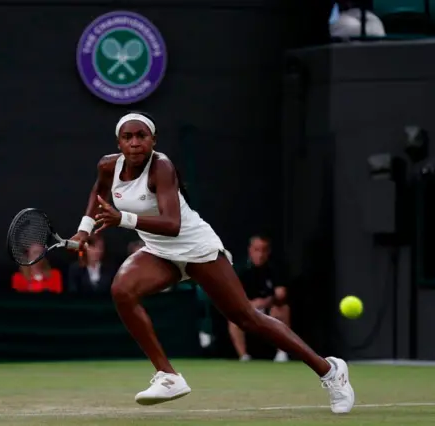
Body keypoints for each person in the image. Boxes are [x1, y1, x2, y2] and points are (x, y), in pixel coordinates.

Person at [68, 112, 354, 414]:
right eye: (128, 137)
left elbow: (173, 223)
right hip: (159, 252)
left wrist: (122, 219)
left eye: (142, 136)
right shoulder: (108, 166)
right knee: (122, 290)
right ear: (119, 142)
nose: (135, 143)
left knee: (247, 318)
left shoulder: (161, 168)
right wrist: (84, 231)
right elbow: (98, 193)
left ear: (154, 140)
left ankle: (329, 370)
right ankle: (168, 376)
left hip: (196, 249)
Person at [229, 234, 291, 362]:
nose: (260, 254)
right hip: (248, 310)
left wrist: (265, 302)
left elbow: (281, 294)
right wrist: (249, 305)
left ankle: (282, 354)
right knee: (233, 318)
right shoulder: (241, 270)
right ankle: (244, 356)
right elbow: (233, 296)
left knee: (282, 309)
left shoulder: (275, 269)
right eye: (257, 250)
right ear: (250, 250)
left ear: (268, 252)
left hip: (269, 310)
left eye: (264, 250)